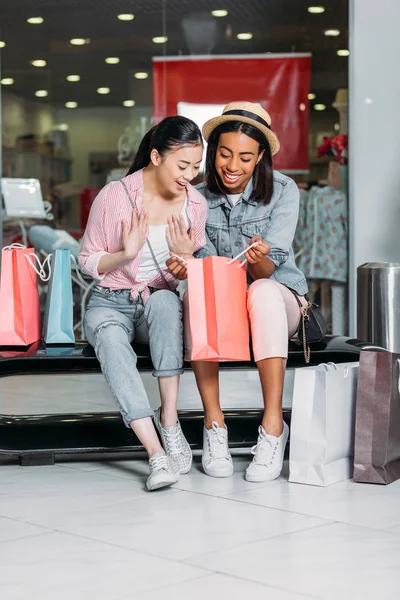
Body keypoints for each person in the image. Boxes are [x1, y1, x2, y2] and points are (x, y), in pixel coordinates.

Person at [167, 102, 308, 483]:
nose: (232, 166)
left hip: (279, 300)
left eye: (245, 157)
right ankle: (214, 425)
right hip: (224, 303)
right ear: (213, 153)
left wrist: (261, 259)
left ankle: (274, 426)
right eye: (225, 154)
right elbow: (206, 272)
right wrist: (185, 264)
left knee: (261, 289)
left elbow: (268, 271)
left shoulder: (283, 191)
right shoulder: (194, 198)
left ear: (260, 156)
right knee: (193, 294)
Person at [79, 116, 207, 491]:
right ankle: (155, 453)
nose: (190, 175)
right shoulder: (115, 196)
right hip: (109, 301)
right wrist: (125, 254)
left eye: (196, 167)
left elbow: (189, 278)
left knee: (168, 302)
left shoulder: (195, 205)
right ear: (155, 156)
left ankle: (169, 420)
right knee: (111, 341)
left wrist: (188, 262)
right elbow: (87, 260)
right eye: (182, 166)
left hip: (156, 301)